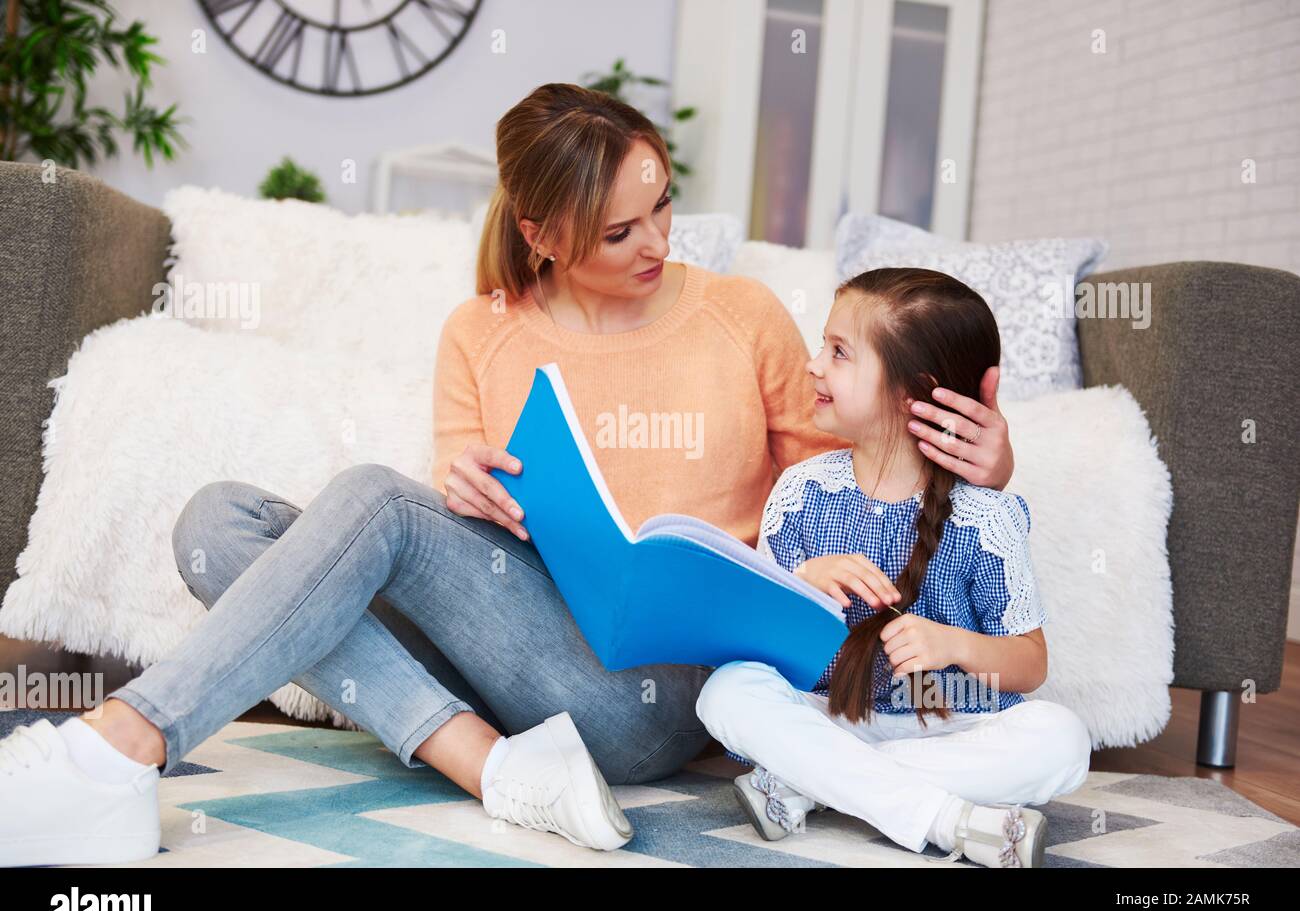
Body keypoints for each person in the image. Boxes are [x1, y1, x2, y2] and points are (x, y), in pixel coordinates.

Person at [0, 86, 1017, 867]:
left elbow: (855, 479)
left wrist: (974, 475)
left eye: (663, 206)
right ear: (542, 235)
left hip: (649, 694)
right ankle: (492, 767)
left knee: (367, 500)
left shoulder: (740, 315)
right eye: (622, 232)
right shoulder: (478, 332)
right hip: (498, 644)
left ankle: (115, 749)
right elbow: (440, 538)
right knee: (215, 522)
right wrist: (461, 488)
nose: (658, 242)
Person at [695, 267, 1092, 868]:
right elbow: (757, 648)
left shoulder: (984, 515)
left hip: (954, 724)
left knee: (1063, 740)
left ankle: (810, 788)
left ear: (913, 390)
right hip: (834, 719)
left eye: (839, 352)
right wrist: (801, 591)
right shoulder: (802, 492)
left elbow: (1030, 663)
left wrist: (954, 645)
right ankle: (948, 818)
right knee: (727, 691)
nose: (813, 365)